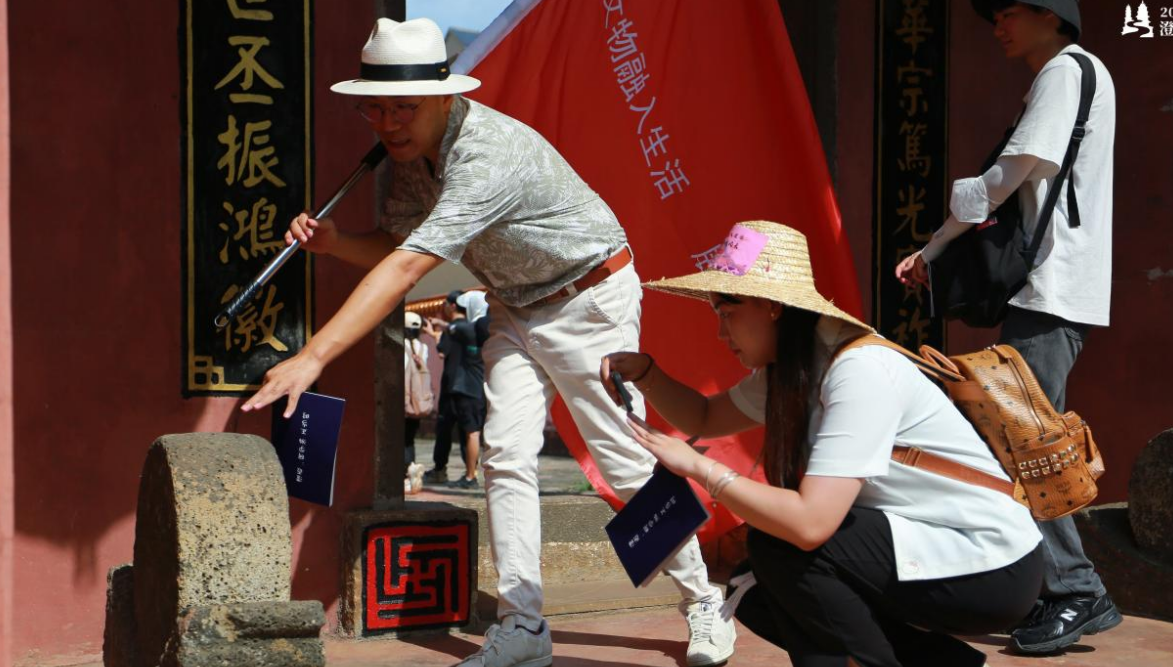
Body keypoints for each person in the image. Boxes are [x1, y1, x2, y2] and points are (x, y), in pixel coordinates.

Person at [241, 17, 732, 667]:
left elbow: (407, 270)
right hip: (514, 306)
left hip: (588, 298)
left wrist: (312, 356)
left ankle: (703, 598)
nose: (388, 123)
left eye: (404, 108)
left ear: (444, 97)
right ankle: (523, 624)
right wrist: (335, 244)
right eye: (376, 108)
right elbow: (394, 244)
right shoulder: (415, 160)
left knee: (623, 460)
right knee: (503, 455)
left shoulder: (485, 154)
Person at [604, 220, 1046, 667]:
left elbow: (812, 523)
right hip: (928, 544)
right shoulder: (796, 367)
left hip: (990, 561)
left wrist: (703, 470)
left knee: (782, 552)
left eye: (726, 312)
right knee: (754, 589)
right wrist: (646, 374)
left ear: (770, 306)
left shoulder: (859, 370)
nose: (721, 333)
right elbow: (703, 416)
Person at [894, 0, 1119, 654]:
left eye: (1010, 10)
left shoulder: (1065, 71)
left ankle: (1076, 589)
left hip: (1051, 289)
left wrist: (935, 245)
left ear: (1052, 15)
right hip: (1052, 289)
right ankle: (1051, 586)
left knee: (1025, 441)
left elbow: (1005, 176)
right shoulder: (1073, 73)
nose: (997, 23)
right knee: (1021, 437)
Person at [422, 290, 468, 484]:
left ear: (453, 305)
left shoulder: (451, 330)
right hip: (469, 385)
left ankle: (440, 469)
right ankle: (471, 472)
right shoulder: (471, 328)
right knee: (468, 431)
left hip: (451, 384)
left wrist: (433, 335)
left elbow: (442, 352)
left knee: (444, 429)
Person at [447, 290, 488, 489]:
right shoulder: (490, 331)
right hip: (483, 387)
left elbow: (453, 328)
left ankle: (471, 476)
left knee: (472, 433)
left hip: (468, 388)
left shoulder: (468, 330)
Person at [403, 310, 431, 467]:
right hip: (418, 400)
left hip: (403, 397)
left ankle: (403, 472)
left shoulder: (401, 346)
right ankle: (410, 470)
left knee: (398, 437)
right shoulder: (424, 348)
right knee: (409, 438)